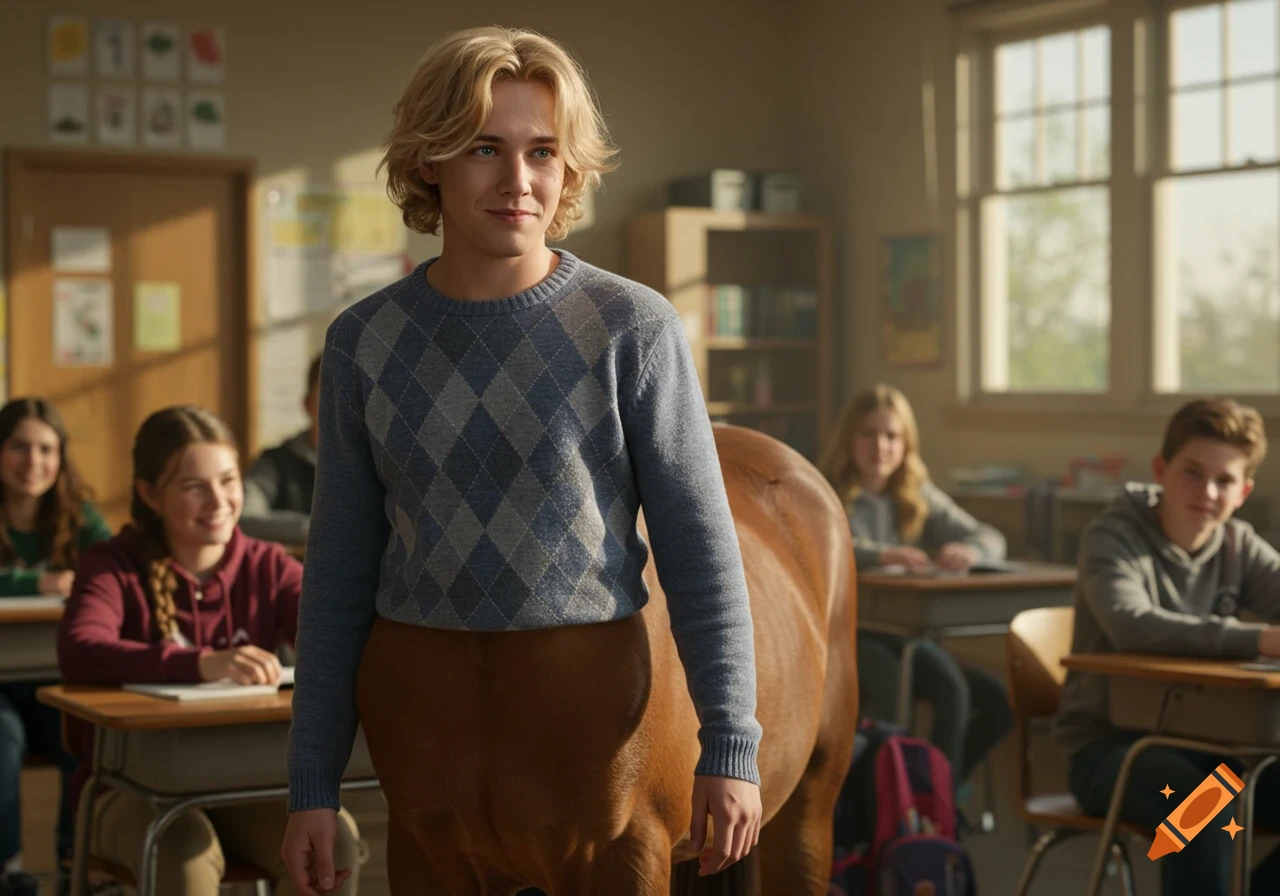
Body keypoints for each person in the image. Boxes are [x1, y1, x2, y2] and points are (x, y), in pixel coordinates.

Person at [282, 25, 763, 894]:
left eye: (543, 152)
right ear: (429, 161)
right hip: (425, 732)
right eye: (484, 148)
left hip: (600, 732)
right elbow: (340, 574)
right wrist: (311, 783)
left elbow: (701, 552)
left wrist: (731, 743)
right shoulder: (364, 342)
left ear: (568, 168)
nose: (518, 181)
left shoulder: (634, 327)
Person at [57, 406, 362, 895]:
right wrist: (199, 664)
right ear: (149, 494)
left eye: (227, 480)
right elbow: (80, 649)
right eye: (193, 486)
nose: (219, 500)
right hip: (129, 793)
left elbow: (335, 638)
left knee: (336, 842)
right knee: (180, 851)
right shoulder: (112, 563)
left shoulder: (268, 565)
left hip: (247, 785)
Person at [1057, 398, 1280, 896]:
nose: (1206, 492)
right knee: (1203, 806)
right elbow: (1132, 626)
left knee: (1217, 790)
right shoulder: (1112, 536)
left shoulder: (1238, 545)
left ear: (1243, 492)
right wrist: (1260, 638)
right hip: (1112, 750)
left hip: (1218, 746)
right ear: (1161, 469)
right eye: (1192, 473)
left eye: (1224, 481)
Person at [819, 384, 1013, 789]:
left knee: (989, 698)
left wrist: (969, 550)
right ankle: (891, 806)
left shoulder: (916, 494)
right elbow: (824, 543)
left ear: (906, 444)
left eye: (892, 436)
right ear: (849, 439)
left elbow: (990, 537)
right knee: (915, 685)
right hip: (851, 635)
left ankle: (933, 801)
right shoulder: (825, 491)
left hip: (907, 636)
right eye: (868, 434)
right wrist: (882, 554)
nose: (881, 447)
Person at [0, 398, 111, 896]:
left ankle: (78, 860)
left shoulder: (79, 517)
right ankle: (9, 871)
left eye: (46, 449)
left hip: (55, 676)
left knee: (82, 735)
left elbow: (116, 574)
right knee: (3, 740)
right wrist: (36, 584)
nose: (33, 461)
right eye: (19, 447)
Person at [240, 355, 321, 547]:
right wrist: (321, 530)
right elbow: (243, 516)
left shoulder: (378, 463)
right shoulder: (275, 462)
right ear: (307, 404)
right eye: (330, 394)